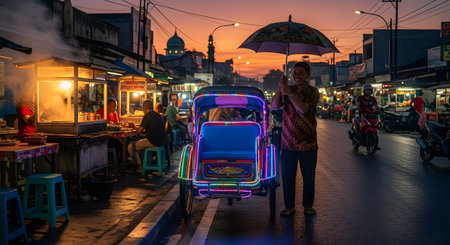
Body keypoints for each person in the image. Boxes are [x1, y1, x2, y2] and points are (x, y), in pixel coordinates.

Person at [271, 61, 319, 217]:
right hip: (288, 141)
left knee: (308, 176)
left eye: (300, 73)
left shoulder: (313, 92)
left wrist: (291, 94)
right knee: (288, 176)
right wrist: (281, 87)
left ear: (307, 75)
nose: (297, 76)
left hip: (308, 142)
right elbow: (274, 105)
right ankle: (289, 206)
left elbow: (304, 110)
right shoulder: (286, 89)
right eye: (294, 73)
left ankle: (308, 206)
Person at [127, 100, 165, 171]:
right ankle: (139, 162)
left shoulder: (147, 116)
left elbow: (139, 131)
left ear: (144, 108)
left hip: (152, 141)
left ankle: (139, 165)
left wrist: (133, 126)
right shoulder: (157, 115)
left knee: (130, 147)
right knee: (138, 145)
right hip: (161, 141)